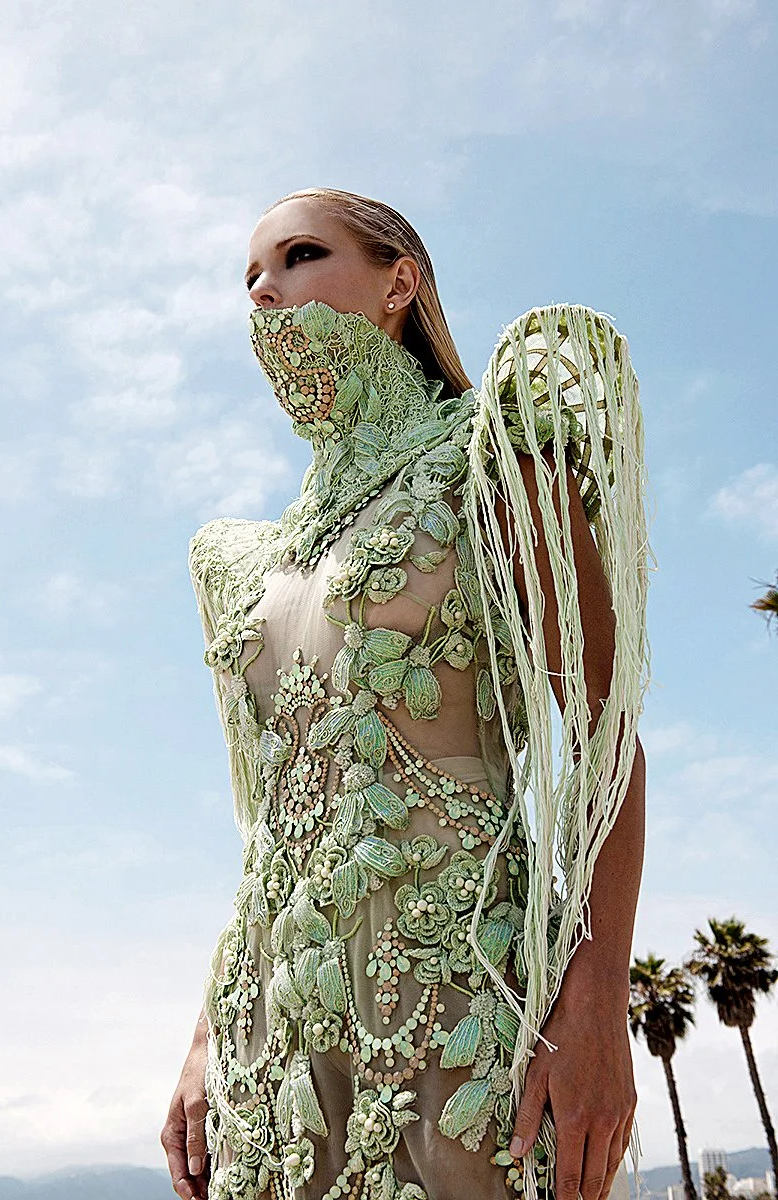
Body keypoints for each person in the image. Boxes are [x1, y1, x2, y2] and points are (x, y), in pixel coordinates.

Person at [161, 187, 651, 1200]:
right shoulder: (244, 560)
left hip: (455, 1004)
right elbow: (268, 828)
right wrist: (208, 1033)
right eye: (248, 275)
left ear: (399, 282)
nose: (265, 288)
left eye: (298, 255)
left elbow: (606, 750)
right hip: (274, 1035)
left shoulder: (494, 462)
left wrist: (597, 1008)